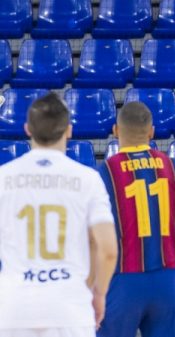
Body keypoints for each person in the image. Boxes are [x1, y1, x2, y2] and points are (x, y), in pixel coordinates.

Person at [0, 92, 118, 337]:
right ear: (69, 130)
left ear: (27, 129)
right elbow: (108, 249)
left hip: (14, 307)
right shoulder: (88, 179)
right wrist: (99, 294)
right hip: (70, 307)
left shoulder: (3, 177)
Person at [96, 102, 175, 337]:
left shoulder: (106, 172)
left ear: (115, 131)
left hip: (123, 278)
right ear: (151, 131)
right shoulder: (172, 166)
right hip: (166, 278)